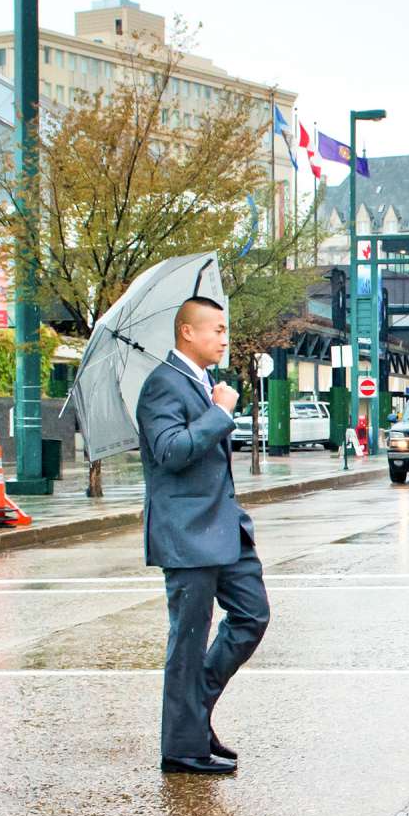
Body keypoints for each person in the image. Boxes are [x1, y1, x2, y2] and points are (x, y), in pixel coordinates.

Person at [139, 295, 270, 776]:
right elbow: (170, 451)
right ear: (186, 332)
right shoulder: (162, 385)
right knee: (188, 641)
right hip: (187, 534)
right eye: (215, 328)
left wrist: (217, 406)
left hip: (224, 530)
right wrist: (219, 414)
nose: (224, 337)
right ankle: (181, 748)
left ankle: (194, 716)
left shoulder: (203, 383)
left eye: (225, 328)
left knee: (252, 616)